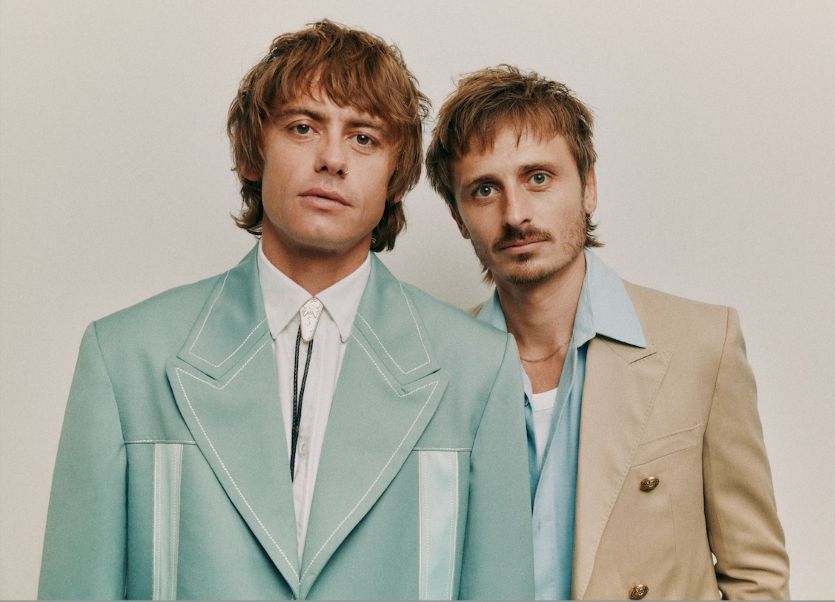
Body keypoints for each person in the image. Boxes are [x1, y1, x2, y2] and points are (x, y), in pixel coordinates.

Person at [39, 24, 534, 600]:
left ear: (397, 177)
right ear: (252, 152)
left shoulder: (478, 368)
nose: (332, 159)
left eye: (364, 138)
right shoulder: (125, 358)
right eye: (303, 127)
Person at [426, 65, 789, 600]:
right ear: (459, 218)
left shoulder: (700, 343)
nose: (516, 214)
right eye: (484, 190)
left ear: (588, 186)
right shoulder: (433, 369)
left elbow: (756, 575)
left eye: (538, 178)